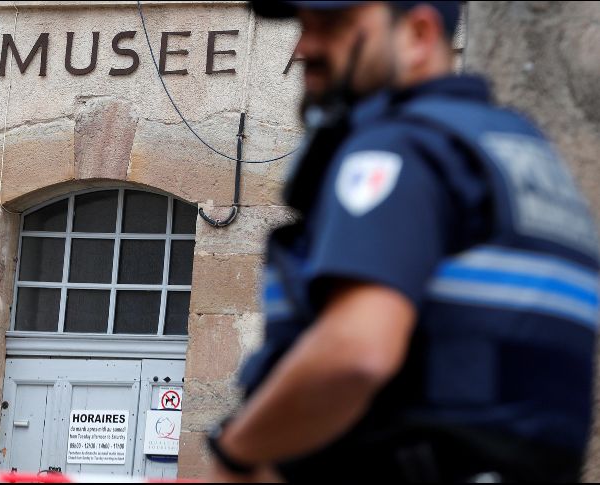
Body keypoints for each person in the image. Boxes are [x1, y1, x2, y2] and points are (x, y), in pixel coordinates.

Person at [205, 1, 600, 482]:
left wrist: (237, 454)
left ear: (417, 34)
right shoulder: (524, 159)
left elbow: (356, 353)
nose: (304, 47)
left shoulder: (400, 150)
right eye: (303, 27)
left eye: (333, 25)